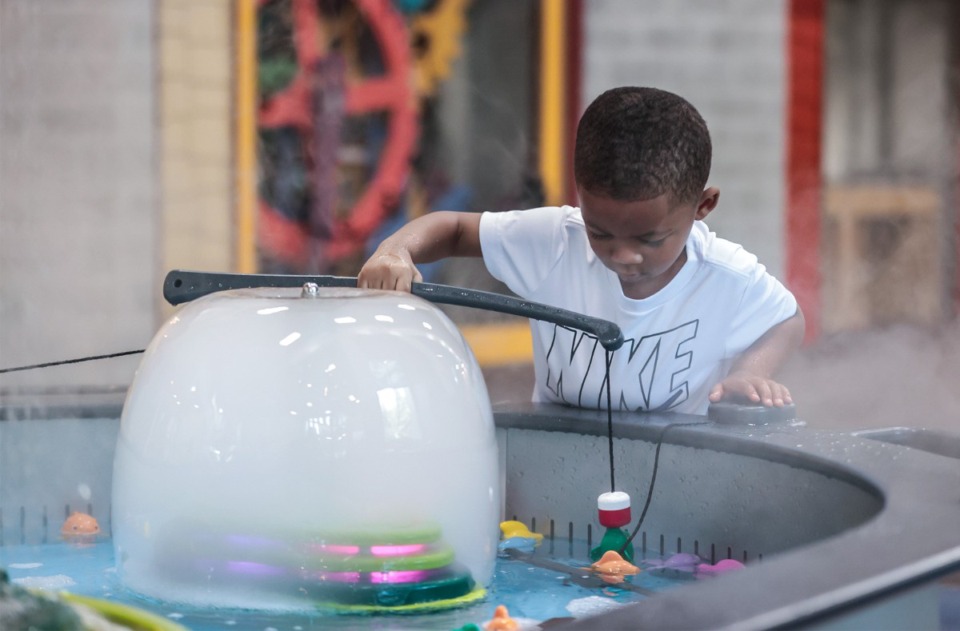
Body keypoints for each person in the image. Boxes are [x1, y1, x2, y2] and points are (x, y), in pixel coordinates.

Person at [358, 86, 805, 415]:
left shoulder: (726, 277)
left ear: (703, 206)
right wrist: (396, 250)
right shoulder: (556, 242)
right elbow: (454, 229)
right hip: (560, 462)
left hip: (676, 471)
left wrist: (753, 370)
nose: (622, 256)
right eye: (601, 232)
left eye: (649, 240)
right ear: (580, 200)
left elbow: (785, 319)